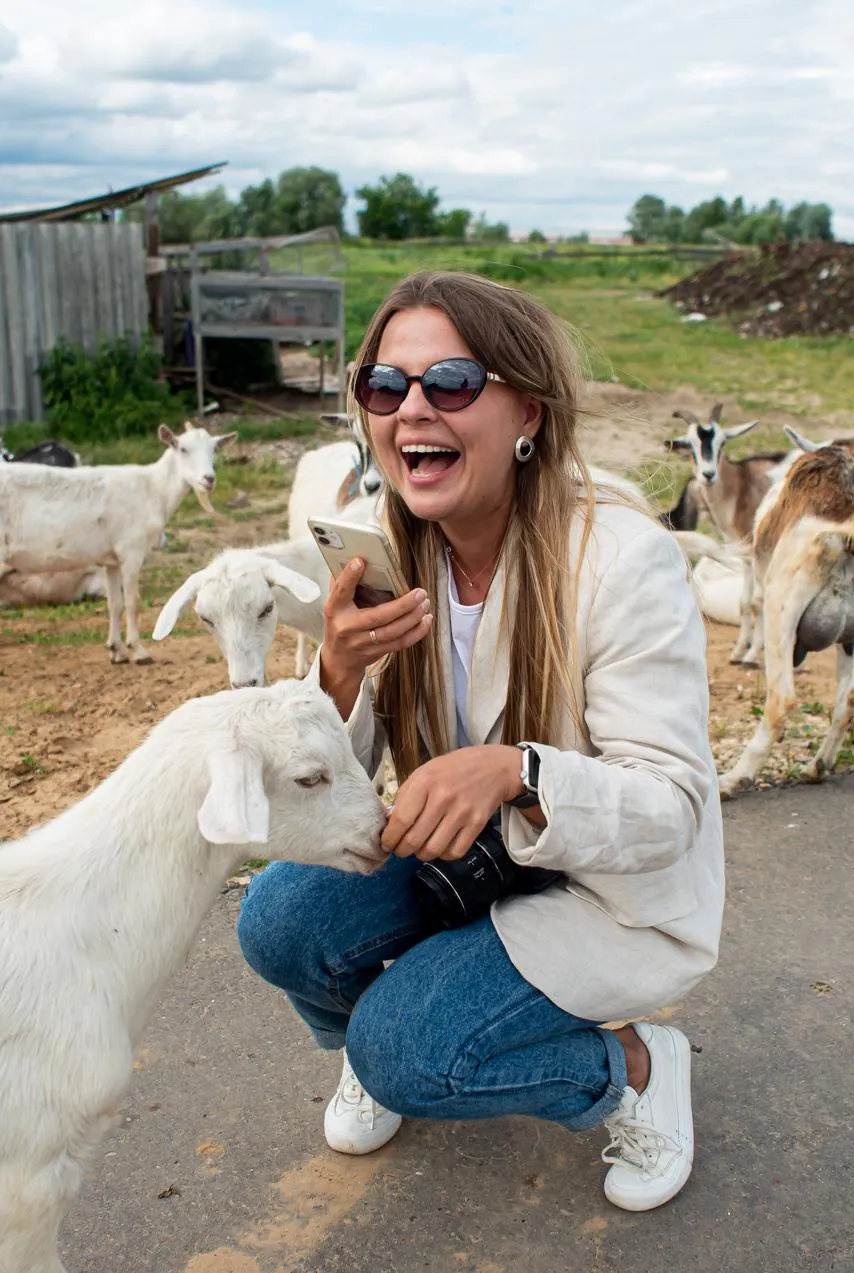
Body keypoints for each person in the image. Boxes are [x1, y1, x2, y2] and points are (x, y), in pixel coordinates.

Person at [236, 271, 723, 1211]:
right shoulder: (390, 541)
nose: (411, 408)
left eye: (451, 382)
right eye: (385, 386)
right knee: (278, 922)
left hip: (605, 888)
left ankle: (631, 1067)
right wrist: (336, 671)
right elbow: (331, 777)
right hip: (464, 856)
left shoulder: (622, 559)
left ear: (527, 413)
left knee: (407, 1049)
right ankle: (397, 1043)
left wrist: (518, 770)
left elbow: (672, 808)